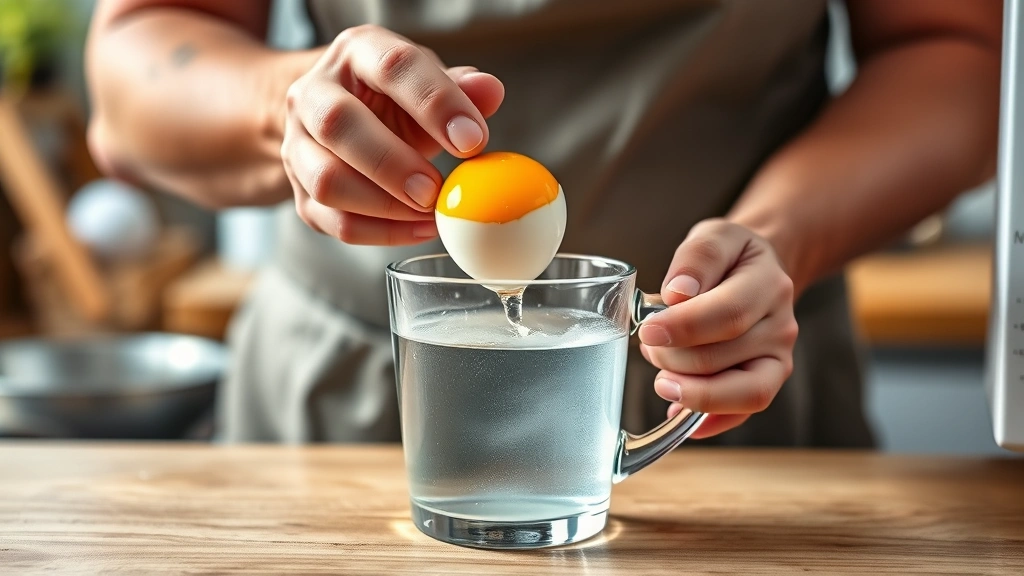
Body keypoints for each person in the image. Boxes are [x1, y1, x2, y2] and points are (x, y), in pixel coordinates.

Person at [85, 0, 1000, 445]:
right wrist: (289, 104)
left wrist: (776, 242)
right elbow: (128, 79)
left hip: (726, 391)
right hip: (349, 403)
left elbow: (954, 55)